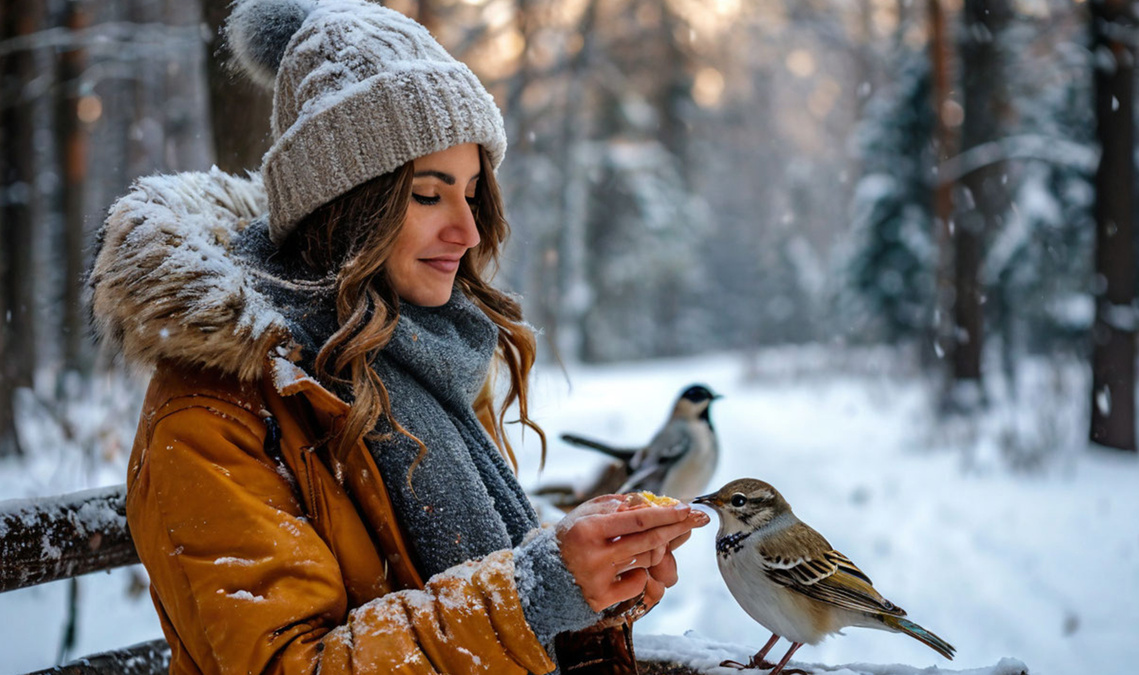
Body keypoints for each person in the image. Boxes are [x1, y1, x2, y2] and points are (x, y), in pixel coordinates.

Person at [87, 1, 709, 673]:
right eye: (428, 194)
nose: (467, 232)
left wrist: (588, 589)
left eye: (471, 193)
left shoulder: (416, 353)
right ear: (346, 203)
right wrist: (531, 596)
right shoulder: (213, 409)